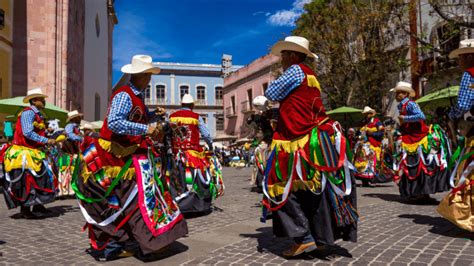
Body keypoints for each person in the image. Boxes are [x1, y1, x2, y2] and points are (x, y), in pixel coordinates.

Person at [73, 55, 188, 261]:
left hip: (127, 156)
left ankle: (129, 241)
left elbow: (133, 119)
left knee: (130, 199)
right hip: (113, 158)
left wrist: (152, 115)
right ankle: (122, 243)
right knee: (126, 199)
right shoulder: (124, 95)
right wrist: (147, 128)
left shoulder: (137, 98)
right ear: (141, 76)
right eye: (148, 75)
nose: (149, 80)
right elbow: (115, 122)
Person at [259, 36, 357, 257]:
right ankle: (321, 237)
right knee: (314, 191)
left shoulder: (295, 71)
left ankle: (303, 237)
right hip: (316, 137)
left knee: (280, 185)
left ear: (293, 55)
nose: (281, 58)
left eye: (284, 54)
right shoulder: (310, 75)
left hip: (298, 141)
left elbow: (271, 93)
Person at [1, 88, 58, 219]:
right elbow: (27, 132)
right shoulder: (28, 113)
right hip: (24, 152)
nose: (44, 101)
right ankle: (25, 209)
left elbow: (35, 132)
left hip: (34, 151)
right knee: (28, 179)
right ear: (34, 101)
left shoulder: (39, 114)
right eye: (41, 99)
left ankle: (38, 205)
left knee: (41, 178)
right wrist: (46, 140)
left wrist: (47, 133)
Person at [391, 81, 451, 201]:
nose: (397, 95)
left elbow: (421, 116)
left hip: (419, 139)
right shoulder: (401, 106)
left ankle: (423, 193)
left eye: (400, 93)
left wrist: (405, 118)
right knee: (412, 164)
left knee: (423, 164)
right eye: (396, 93)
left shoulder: (411, 104)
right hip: (410, 138)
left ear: (406, 94)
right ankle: (416, 192)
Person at [436, 39, 474, 232]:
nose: (458, 62)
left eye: (460, 57)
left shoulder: (469, 75)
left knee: (469, 172)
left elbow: (464, 104)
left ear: (468, 57)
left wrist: (451, 115)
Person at [168, 94, 224, 216]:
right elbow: (206, 134)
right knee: (197, 180)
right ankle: (198, 206)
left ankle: (178, 205)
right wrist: (210, 146)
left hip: (175, 155)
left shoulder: (171, 117)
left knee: (178, 180)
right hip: (193, 156)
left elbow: (167, 135)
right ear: (192, 105)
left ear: (181, 104)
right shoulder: (196, 117)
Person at [353, 106, 384, 186]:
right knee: (362, 162)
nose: (367, 115)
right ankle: (364, 180)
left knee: (370, 162)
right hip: (362, 146)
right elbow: (358, 133)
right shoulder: (363, 123)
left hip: (372, 145)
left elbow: (381, 134)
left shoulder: (377, 122)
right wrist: (357, 136)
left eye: (368, 114)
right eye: (365, 114)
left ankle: (371, 178)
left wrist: (372, 133)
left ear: (372, 114)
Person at [57, 110, 84, 196]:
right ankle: (64, 191)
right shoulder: (70, 126)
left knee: (73, 172)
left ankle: (71, 190)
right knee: (65, 171)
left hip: (74, 153)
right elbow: (69, 135)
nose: (80, 119)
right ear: (75, 118)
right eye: (79, 117)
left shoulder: (77, 128)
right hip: (68, 153)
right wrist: (80, 138)